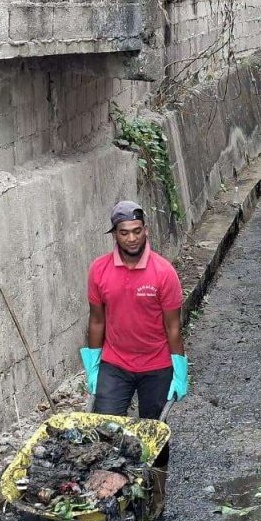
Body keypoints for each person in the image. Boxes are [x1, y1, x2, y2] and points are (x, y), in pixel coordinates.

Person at [80, 201, 188, 468]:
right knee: (105, 431)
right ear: (114, 234)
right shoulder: (99, 270)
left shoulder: (164, 273)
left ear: (146, 231)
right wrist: (93, 365)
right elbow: (96, 320)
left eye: (137, 231)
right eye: (124, 232)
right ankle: (113, 492)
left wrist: (179, 369)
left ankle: (157, 494)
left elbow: (173, 327)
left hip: (157, 365)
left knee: (154, 435)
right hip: (115, 363)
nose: (131, 238)